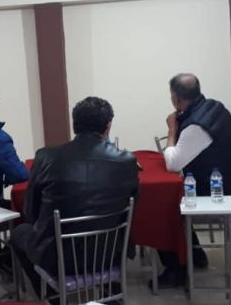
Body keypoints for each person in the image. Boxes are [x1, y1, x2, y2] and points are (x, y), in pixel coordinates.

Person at [10, 97, 139, 299]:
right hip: (109, 254)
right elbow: (130, 210)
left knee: (19, 232)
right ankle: (110, 294)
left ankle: (52, 297)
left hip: (57, 259)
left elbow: (30, 213)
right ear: (108, 126)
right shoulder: (127, 161)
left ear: (74, 125)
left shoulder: (46, 157)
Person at [157, 73, 231, 288]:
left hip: (216, 192)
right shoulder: (215, 107)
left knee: (163, 205)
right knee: (172, 197)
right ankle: (195, 256)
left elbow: (173, 164)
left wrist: (171, 129)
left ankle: (176, 269)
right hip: (227, 182)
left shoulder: (197, 126)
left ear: (176, 99)